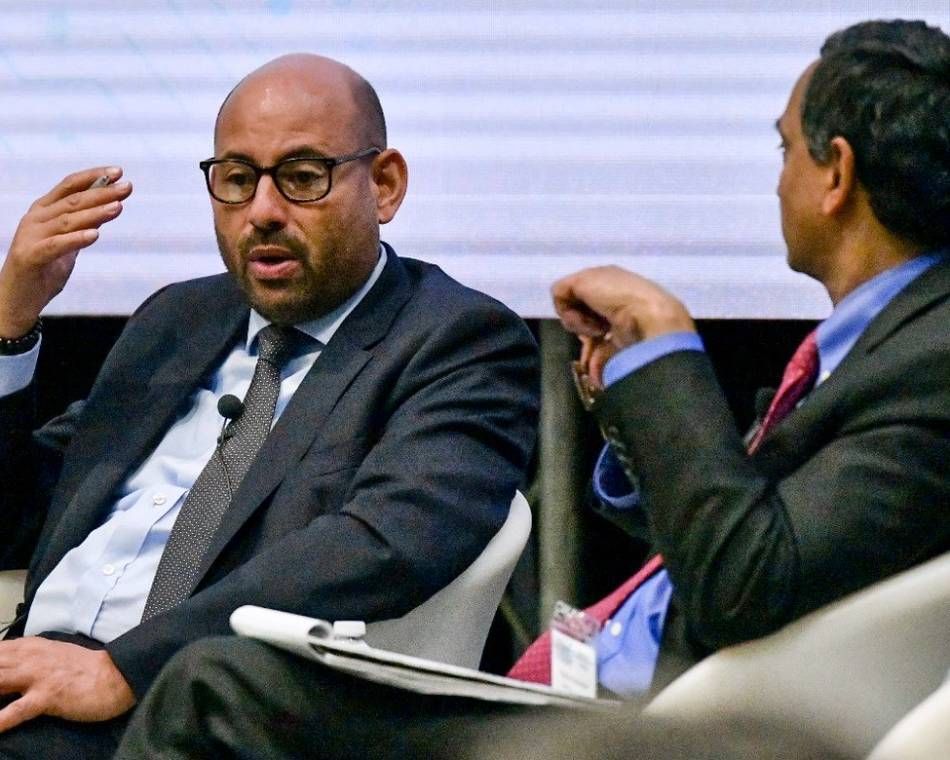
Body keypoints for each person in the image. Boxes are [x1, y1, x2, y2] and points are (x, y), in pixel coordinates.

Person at [113, 18, 948, 759]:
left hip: (653, 729)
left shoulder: (930, 362)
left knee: (213, 688)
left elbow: (743, 581)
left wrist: (667, 356)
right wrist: (632, 414)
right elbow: (738, 539)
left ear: (834, 174)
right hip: (593, 696)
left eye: (784, 151)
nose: (776, 183)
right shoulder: (882, 343)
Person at [0, 54, 539, 757]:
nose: (262, 212)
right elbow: (17, 515)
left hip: (190, 709)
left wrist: (126, 666)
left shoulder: (459, 343)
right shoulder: (176, 320)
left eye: (302, 178)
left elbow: (383, 545)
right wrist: (11, 323)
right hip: (34, 679)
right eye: (237, 179)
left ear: (384, 184)